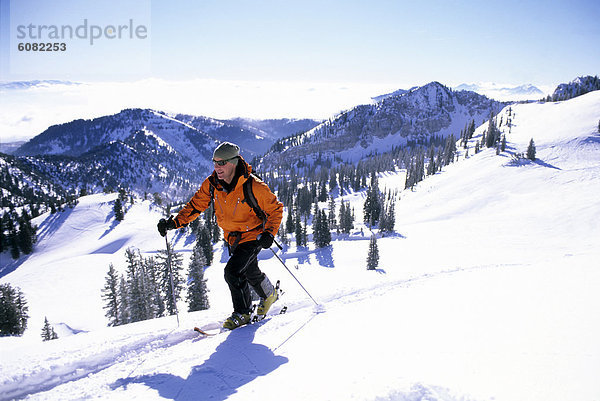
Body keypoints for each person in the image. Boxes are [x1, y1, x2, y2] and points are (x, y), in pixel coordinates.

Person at [157, 142, 283, 330]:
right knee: (249, 270)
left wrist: (269, 233)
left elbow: (276, 209)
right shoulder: (212, 184)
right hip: (233, 238)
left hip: (253, 235)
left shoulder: (253, 185)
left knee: (233, 272)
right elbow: (195, 206)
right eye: (215, 162)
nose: (217, 167)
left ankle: (243, 312)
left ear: (233, 162)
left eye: (221, 163)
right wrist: (174, 222)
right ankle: (269, 294)